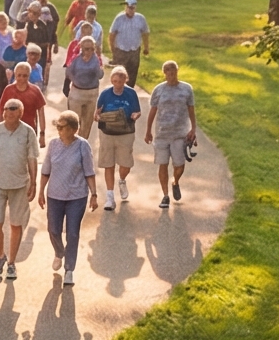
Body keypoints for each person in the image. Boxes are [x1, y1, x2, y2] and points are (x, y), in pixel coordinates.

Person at [0, 97, 41, 281]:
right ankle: (1, 255)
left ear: (20, 112)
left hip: (20, 185)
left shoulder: (28, 132)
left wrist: (34, 182)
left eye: (13, 108)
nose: (8, 111)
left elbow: (32, 158)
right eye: (6, 108)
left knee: (16, 224)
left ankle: (12, 263)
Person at [41, 111, 98, 287]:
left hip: (77, 196)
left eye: (62, 127)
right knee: (53, 230)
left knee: (72, 233)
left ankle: (69, 269)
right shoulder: (53, 145)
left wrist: (94, 194)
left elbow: (89, 171)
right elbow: (46, 170)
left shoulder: (82, 146)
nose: (58, 129)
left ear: (74, 129)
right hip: (55, 195)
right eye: (57, 126)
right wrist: (40, 191)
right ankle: (59, 252)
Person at [147, 59, 201, 207]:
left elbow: (191, 109)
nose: (171, 73)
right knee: (162, 164)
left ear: (177, 71)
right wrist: (148, 131)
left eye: (173, 70)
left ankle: (175, 181)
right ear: (164, 73)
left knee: (179, 165)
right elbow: (153, 111)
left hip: (180, 133)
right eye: (168, 71)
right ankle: (165, 196)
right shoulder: (158, 90)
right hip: (162, 133)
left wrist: (193, 128)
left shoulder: (186, 89)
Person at [95, 64, 144, 209]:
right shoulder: (105, 94)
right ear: (111, 81)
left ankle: (122, 180)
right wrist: (98, 117)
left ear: (125, 81)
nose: (117, 85)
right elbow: (96, 113)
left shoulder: (131, 93)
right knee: (108, 164)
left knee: (126, 164)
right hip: (107, 132)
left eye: (120, 82)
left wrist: (135, 115)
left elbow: (137, 111)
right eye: (115, 81)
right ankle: (110, 197)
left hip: (126, 132)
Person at [61, 22, 109, 138]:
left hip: (91, 93)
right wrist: (76, 81)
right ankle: (73, 141)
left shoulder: (96, 59)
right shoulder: (75, 58)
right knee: (74, 121)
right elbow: (68, 72)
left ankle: (83, 142)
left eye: (91, 49)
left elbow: (100, 75)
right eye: (86, 49)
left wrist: (97, 68)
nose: (88, 51)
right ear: (81, 48)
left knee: (87, 123)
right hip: (77, 92)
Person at [0, 48, 48, 134]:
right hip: (10, 130)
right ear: (15, 75)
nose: (21, 78)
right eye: (19, 75)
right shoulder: (8, 90)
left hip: (29, 131)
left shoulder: (35, 90)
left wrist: (42, 133)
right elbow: (0, 110)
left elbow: (41, 112)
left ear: (29, 76)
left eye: (25, 76)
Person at [108, 0, 151, 78]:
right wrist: (113, 49)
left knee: (132, 73)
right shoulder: (119, 18)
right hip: (121, 50)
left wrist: (146, 47)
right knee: (119, 74)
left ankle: (130, 89)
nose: (130, 10)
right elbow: (112, 34)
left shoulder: (140, 18)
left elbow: (145, 33)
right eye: (128, 7)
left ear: (135, 8)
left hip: (134, 51)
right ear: (125, 7)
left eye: (132, 8)